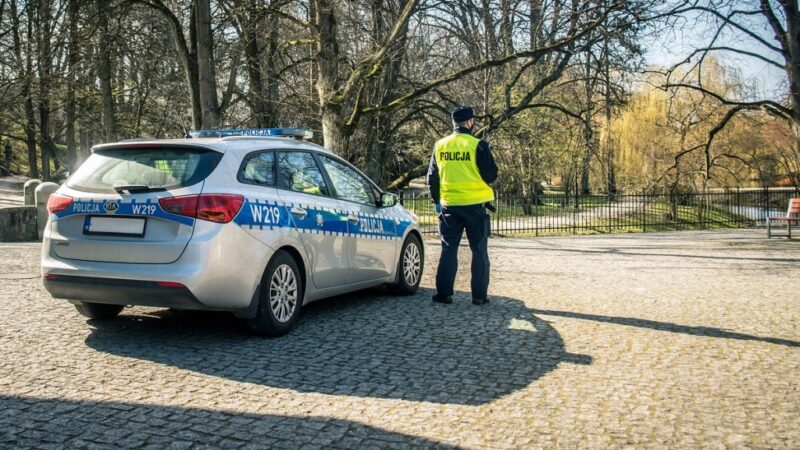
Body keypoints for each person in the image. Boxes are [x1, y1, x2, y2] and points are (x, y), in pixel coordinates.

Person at [427, 106, 498, 305]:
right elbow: (491, 175)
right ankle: (479, 296)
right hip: (475, 206)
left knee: (448, 248)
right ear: (469, 122)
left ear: (453, 123)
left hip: (449, 206)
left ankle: (443, 294)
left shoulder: (440, 145)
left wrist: (436, 201)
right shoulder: (478, 145)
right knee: (479, 250)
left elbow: (432, 177)